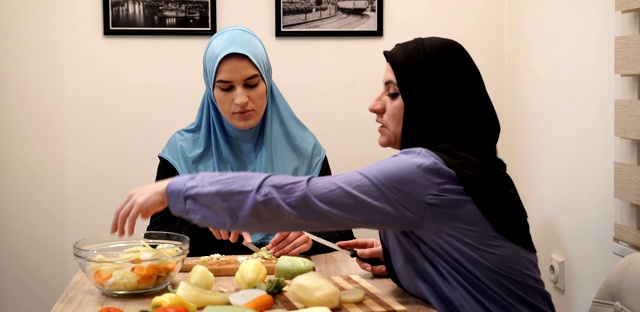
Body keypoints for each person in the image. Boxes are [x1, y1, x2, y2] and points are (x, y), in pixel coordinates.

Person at [112, 36, 555, 311]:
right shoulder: (472, 164)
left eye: (394, 93)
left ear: (432, 104)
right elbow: (467, 255)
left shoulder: (422, 172)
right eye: (225, 88)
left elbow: (292, 199)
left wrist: (178, 188)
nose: (374, 104)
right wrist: (402, 256)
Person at [146, 25, 354, 257]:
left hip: (290, 287)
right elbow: (156, 241)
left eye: (252, 84)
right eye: (226, 88)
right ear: (211, 91)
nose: (241, 99)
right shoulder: (181, 153)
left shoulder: (304, 150)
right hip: (208, 288)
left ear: (267, 82)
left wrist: (309, 238)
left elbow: (343, 233)